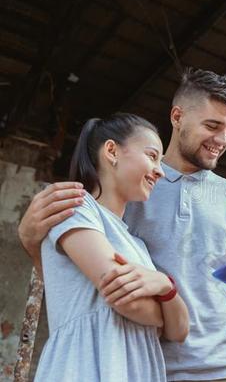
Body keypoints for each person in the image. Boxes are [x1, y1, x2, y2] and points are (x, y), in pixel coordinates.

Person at [19, 68, 226, 382]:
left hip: (219, 372)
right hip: (141, 367)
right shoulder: (129, 186)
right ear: (177, 117)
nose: (221, 140)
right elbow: (75, 277)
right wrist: (28, 238)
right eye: (212, 126)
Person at [34, 113, 190, 381]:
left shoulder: (137, 245)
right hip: (82, 368)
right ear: (111, 151)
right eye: (152, 156)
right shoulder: (77, 208)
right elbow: (123, 299)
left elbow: (181, 331)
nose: (160, 171)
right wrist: (166, 309)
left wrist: (165, 286)